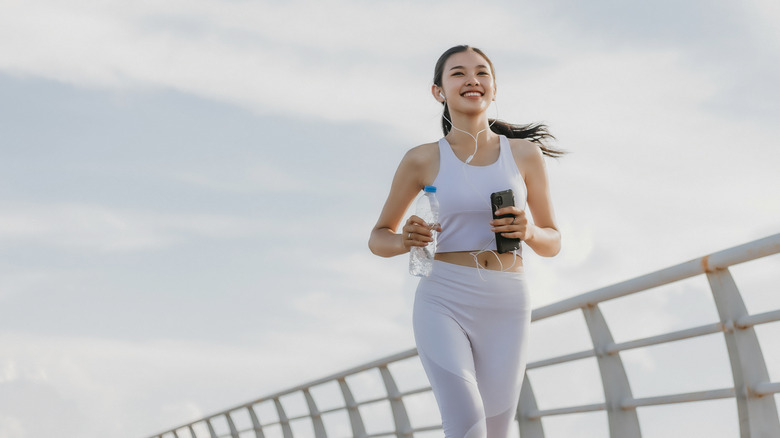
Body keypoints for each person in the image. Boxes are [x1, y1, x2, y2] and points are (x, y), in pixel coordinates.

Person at [368, 45, 563, 438]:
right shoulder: (421, 159)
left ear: (493, 87)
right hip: (443, 296)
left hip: (507, 299)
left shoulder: (524, 154)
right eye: (457, 73)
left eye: (481, 73)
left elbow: (552, 240)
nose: (472, 79)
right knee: (466, 421)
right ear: (439, 91)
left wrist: (528, 231)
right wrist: (405, 238)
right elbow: (378, 238)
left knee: (496, 430)